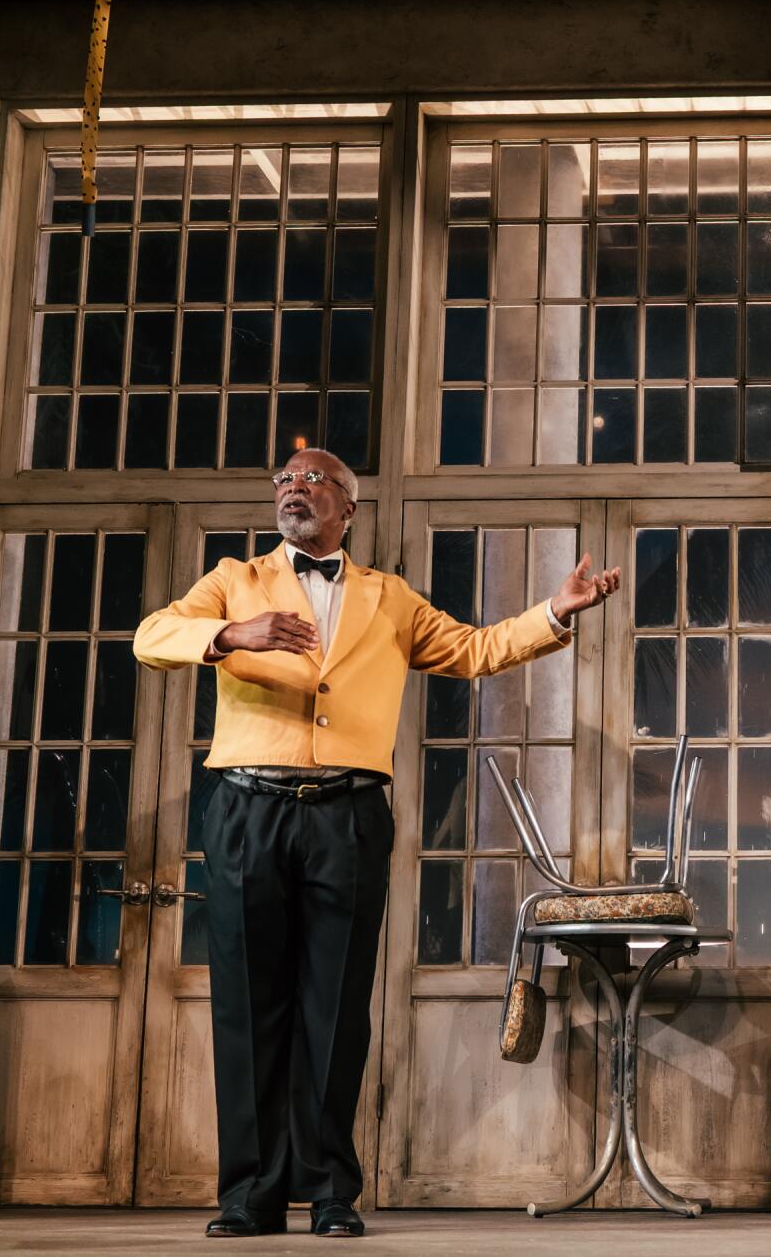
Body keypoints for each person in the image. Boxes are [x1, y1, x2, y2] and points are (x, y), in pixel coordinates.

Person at [134, 448, 620, 1239]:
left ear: (348, 510)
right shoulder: (234, 577)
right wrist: (232, 631)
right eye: (285, 480)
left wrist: (554, 611)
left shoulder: (387, 597)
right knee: (249, 1006)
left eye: (312, 480)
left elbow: (474, 649)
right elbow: (152, 636)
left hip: (348, 814)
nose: (294, 488)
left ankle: (330, 1188)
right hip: (246, 808)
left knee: (334, 1008)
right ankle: (250, 1193)